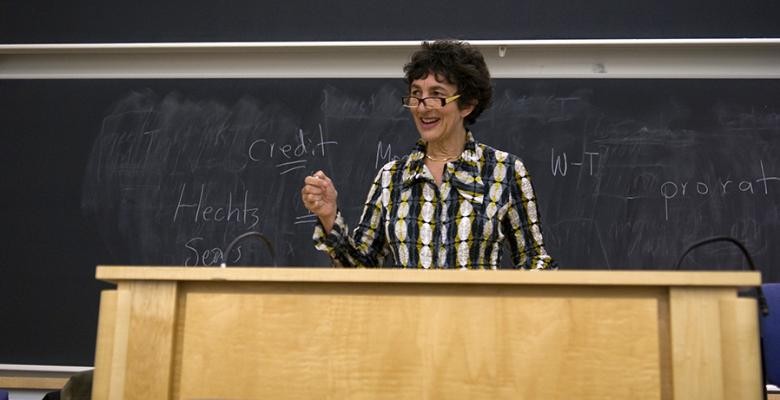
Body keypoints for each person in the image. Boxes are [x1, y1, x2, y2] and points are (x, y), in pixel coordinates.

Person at [300, 40, 556, 270]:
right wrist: (329, 216)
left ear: (466, 104)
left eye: (437, 95)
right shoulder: (392, 177)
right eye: (416, 94)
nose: (423, 106)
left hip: (478, 321)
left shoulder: (505, 170)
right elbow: (362, 270)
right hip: (409, 321)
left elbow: (535, 263)